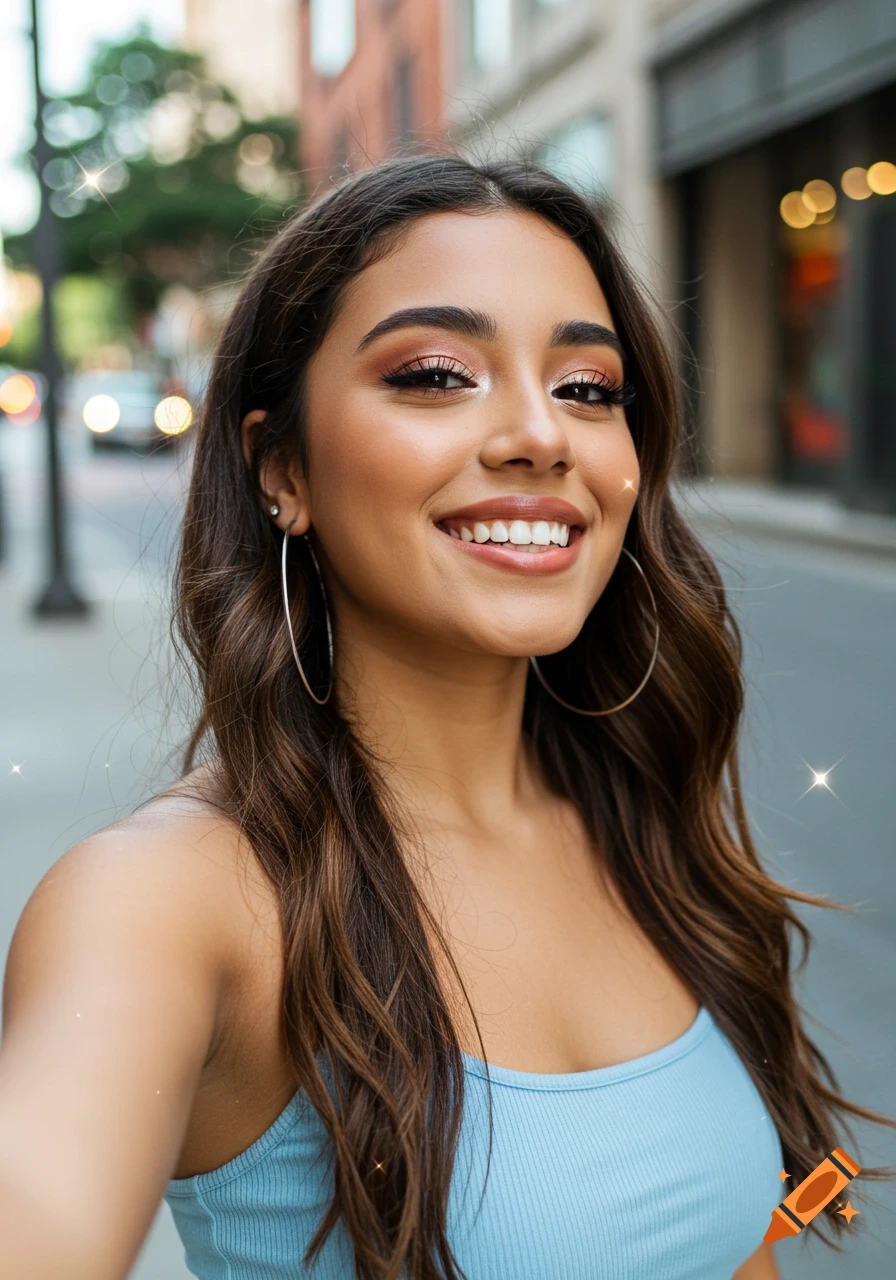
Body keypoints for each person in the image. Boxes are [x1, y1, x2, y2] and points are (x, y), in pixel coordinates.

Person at [0, 155, 886, 1280]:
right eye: (432, 373)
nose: (541, 434)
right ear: (283, 467)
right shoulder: (172, 897)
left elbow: (722, 1245)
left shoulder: (635, 817)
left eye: (587, 387)